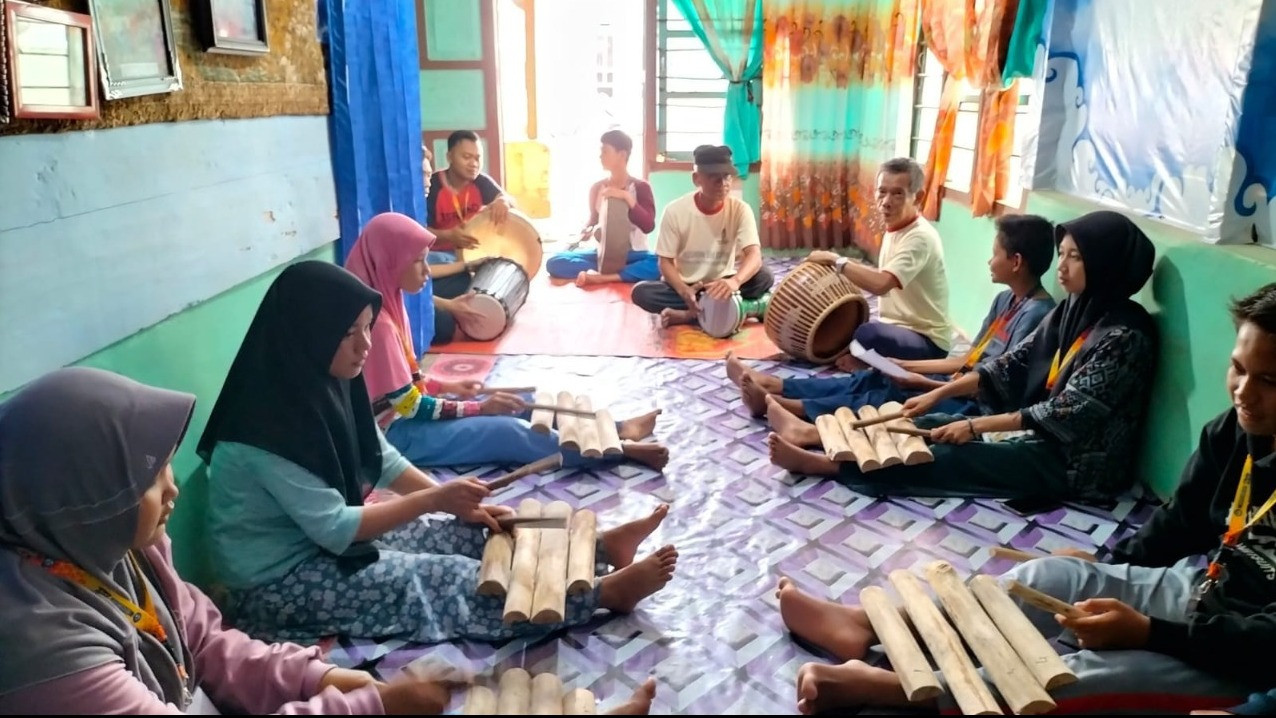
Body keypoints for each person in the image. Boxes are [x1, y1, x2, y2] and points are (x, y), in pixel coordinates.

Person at [775, 282, 1276, 714]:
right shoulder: (1234, 430)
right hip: (1204, 588)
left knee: (1095, 672)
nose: (1243, 393)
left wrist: (1151, 634)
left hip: (1247, 657)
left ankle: (904, 691)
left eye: (1269, 381)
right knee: (1049, 577)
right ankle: (869, 625)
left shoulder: (1123, 336)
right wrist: (1110, 563)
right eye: (1238, 368)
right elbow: (1181, 520)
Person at [199, 260, 679, 646]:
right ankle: (597, 596)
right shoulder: (260, 433)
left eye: (368, 328)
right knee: (438, 576)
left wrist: (454, 502)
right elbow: (338, 529)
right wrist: (435, 498)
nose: (365, 345)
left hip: (322, 541)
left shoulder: (325, 382)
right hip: (277, 582)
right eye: (351, 334)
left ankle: (599, 548)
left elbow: (379, 456)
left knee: (472, 534)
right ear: (310, 334)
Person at [0, 367, 464, 714]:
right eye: (146, 476)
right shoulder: (41, 647)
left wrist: (329, 680)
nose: (173, 486)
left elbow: (205, 644)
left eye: (166, 464)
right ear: (83, 494)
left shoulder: (118, 549)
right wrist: (368, 706)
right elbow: (337, 526)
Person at [767, 210, 1158, 502]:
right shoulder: (1071, 310)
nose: (1063, 266)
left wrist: (974, 426)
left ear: (1105, 264)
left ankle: (827, 464)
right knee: (930, 418)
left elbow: (1064, 414)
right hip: (1038, 431)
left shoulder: (1124, 337)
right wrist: (936, 394)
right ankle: (818, 434)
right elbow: (1008, 363)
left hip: (1076, 462)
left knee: (954, 454)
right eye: (1062, 253)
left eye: (1075, 257)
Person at [344, 212, 669, 471]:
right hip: (395, 436)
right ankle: (613, 452)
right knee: (507, 431)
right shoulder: (380, 325)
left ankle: (619, 427)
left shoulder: (388, 304)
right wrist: (478, 408)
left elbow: (406, 385)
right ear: (389, 263)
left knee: (524, 399)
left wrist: (451, 387)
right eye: (417, 261)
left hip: (405, 417)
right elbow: (409, 406)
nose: (427, 271)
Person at [727, 214, 1056, 420]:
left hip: (978, 407)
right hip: (957, 384)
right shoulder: (1005, 300)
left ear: (1015, 262)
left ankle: (782, 405)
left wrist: (924, 383)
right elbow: (968, 361)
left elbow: (997, 389)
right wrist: (908, 368)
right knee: (875, 378)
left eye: (995, 254)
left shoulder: (1037, 315)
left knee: (884, 396)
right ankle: (777, 384)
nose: (989, 261)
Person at [808, 157, 952, 363]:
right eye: (882, 191)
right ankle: (866, 359)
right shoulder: (895, 228)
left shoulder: (920, 237)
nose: (886, 202)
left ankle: (869, 365)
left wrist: (836, 260)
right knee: (843, 323)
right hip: (895, 327)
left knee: (868, 335)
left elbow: (881, 284)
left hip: (928, 341)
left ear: (918, 197)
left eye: (897, 194)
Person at [630, 144, 774, 329]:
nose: (723, 184)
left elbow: (754, 255)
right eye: (714, 178)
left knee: (764, 277)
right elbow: (664, 261)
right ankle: (727, 309)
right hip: (687, 285)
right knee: (642, 293)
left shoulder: (740, 210)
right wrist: (684, 291)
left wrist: (734, 282)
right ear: (696, 179)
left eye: (727, 176)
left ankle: (691, 315)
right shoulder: (675, 211)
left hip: (722, 284)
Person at [426, 130, 515, 345]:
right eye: (466, 157)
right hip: (438, 256)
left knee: (492, 272)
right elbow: (419, 232)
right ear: (449, 157)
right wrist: (447, 235)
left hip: (468, 257)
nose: (473, 164)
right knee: (468, 279)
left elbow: (508, 198)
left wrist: (503, 201)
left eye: (477, 158)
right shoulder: (433, 186)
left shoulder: (481, 182)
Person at [545, 130, 661, 286]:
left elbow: (648, 226)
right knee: (555, 261)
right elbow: (593, 220)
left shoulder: (640, 187)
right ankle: (621, 273)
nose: (600, 156)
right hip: (603, 255)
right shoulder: (597, 188)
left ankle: (603, 276)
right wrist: (586, 230)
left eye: (605, 151)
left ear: (622, 154)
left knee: (659, 264)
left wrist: (626, 197)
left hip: (633, 254)